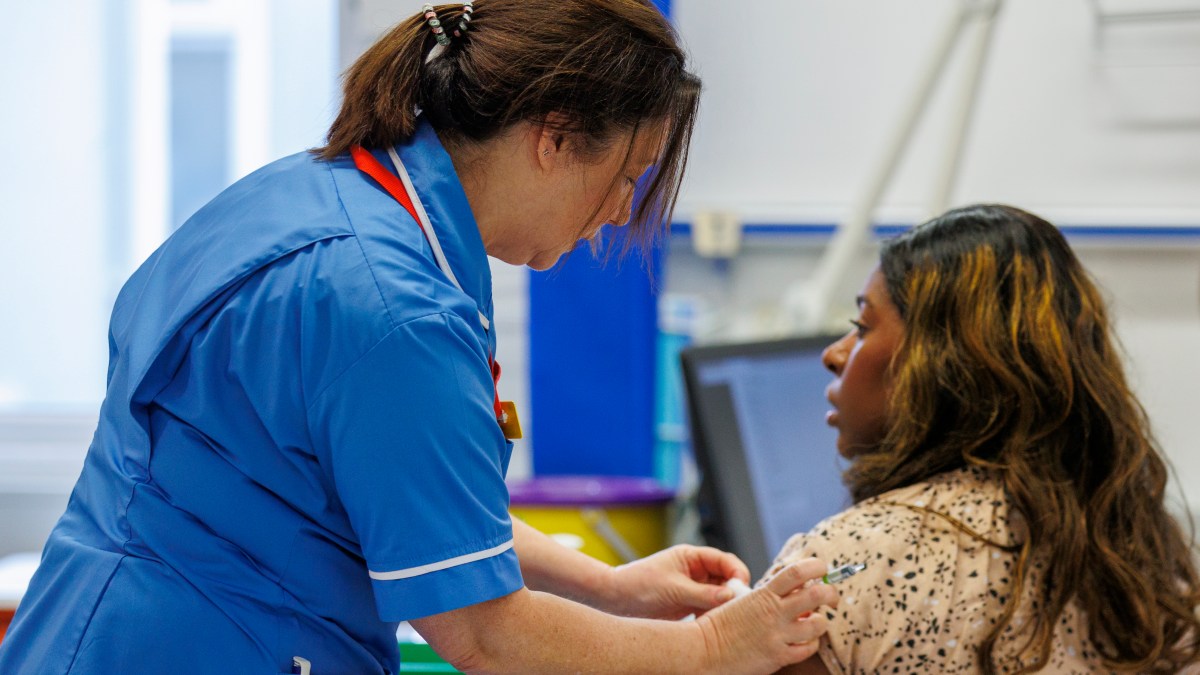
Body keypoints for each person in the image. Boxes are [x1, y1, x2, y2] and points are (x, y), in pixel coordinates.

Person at [0, 2, 839, 673]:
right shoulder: (392, 309)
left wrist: (609, 585)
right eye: (624, 175)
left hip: (96, 623)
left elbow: (401, 493)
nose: (622, 209)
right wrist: (712, 650)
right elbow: (483, 635)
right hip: (190, 644)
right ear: (552, 138)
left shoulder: (324, 194)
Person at [765, 204, 1200, 674]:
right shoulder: (1141, 554)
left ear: (941, 364)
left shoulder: (832, 570)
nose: (834, 354)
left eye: (863, 327)